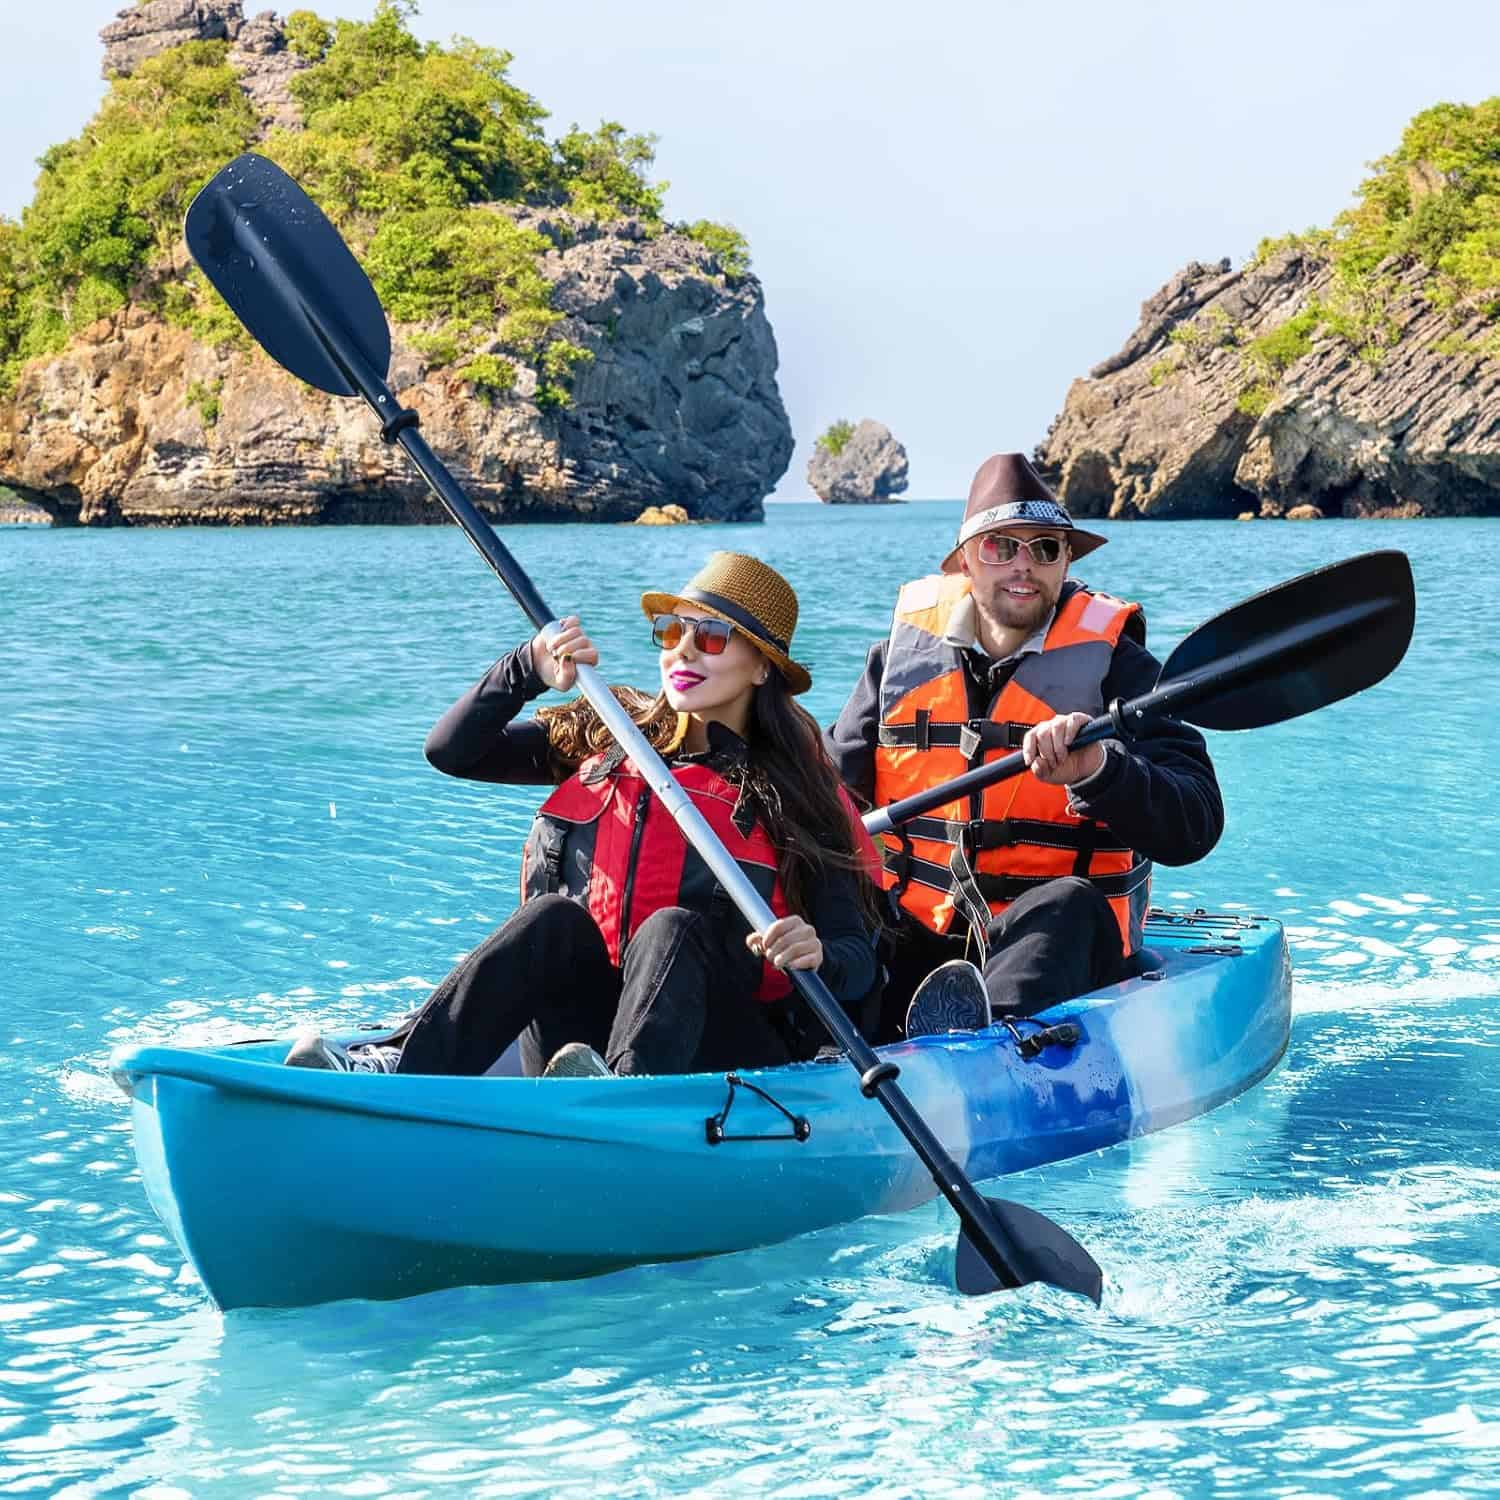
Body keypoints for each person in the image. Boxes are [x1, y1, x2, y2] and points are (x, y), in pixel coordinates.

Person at [287, 552, 882, 1078]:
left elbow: (857, 960)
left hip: (715, 1050)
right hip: (579, 1045)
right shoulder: (610, 727)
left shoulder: (797, 789)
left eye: (712, 637)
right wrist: (527, 668)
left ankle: (619, 1102)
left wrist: (819, 953)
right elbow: (450, 751)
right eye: (672, 630)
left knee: (671, 927)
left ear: (761, 667)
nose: (682, 650)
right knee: (553, 918)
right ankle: (404, 1066)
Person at [824, 452, 1223, 1041]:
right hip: (919, 931)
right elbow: (828, 794)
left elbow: (1197, 822)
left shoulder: (1122, 669)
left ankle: (979, 1049)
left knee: (1066, 904)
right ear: (964, 559)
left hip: (1059, 941)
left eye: (1044, 549)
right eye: (1000, 546)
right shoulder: (896, 665)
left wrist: (1098, 770)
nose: (1023, 566)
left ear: (1066, 561)